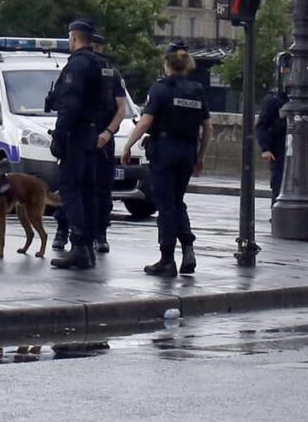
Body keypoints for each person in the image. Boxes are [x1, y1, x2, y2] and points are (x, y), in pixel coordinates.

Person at [122, 44, 210, 276]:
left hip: (165, 150)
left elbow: (144, 123)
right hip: (188, 150)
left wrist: (128, 145)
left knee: (166, 205)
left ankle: (167, 259)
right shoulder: (197, 90)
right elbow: (208, 127)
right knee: (178, 201)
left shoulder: (161, 89)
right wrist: (199, 156)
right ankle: (188, 250)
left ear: (167, 64)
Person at [48, 18, 107, 271]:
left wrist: (59, 136)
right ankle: (88, 247)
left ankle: (79, 247)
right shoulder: (101, 65)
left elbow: (69, 104)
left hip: (77, 135)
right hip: (94, 135)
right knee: (88, 193)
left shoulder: (78, 65)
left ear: (73, 37)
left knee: (71, 190)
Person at [91, 32, 128, 255]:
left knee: (103, 189)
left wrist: (108, 132)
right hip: (82, 137)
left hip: (103, 138)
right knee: (74, 185)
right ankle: (64, 231)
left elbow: (121, 108)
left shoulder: (111, 74)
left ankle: (100, 234)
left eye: (97, 47)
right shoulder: (77, 69)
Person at [256, 54, 290, 201]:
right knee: (278, 181)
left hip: (292, 146)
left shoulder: (297, 98)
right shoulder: (272, 100)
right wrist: (265, 148)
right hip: (278, 147)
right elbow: (262, 125)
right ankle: (276, 208)